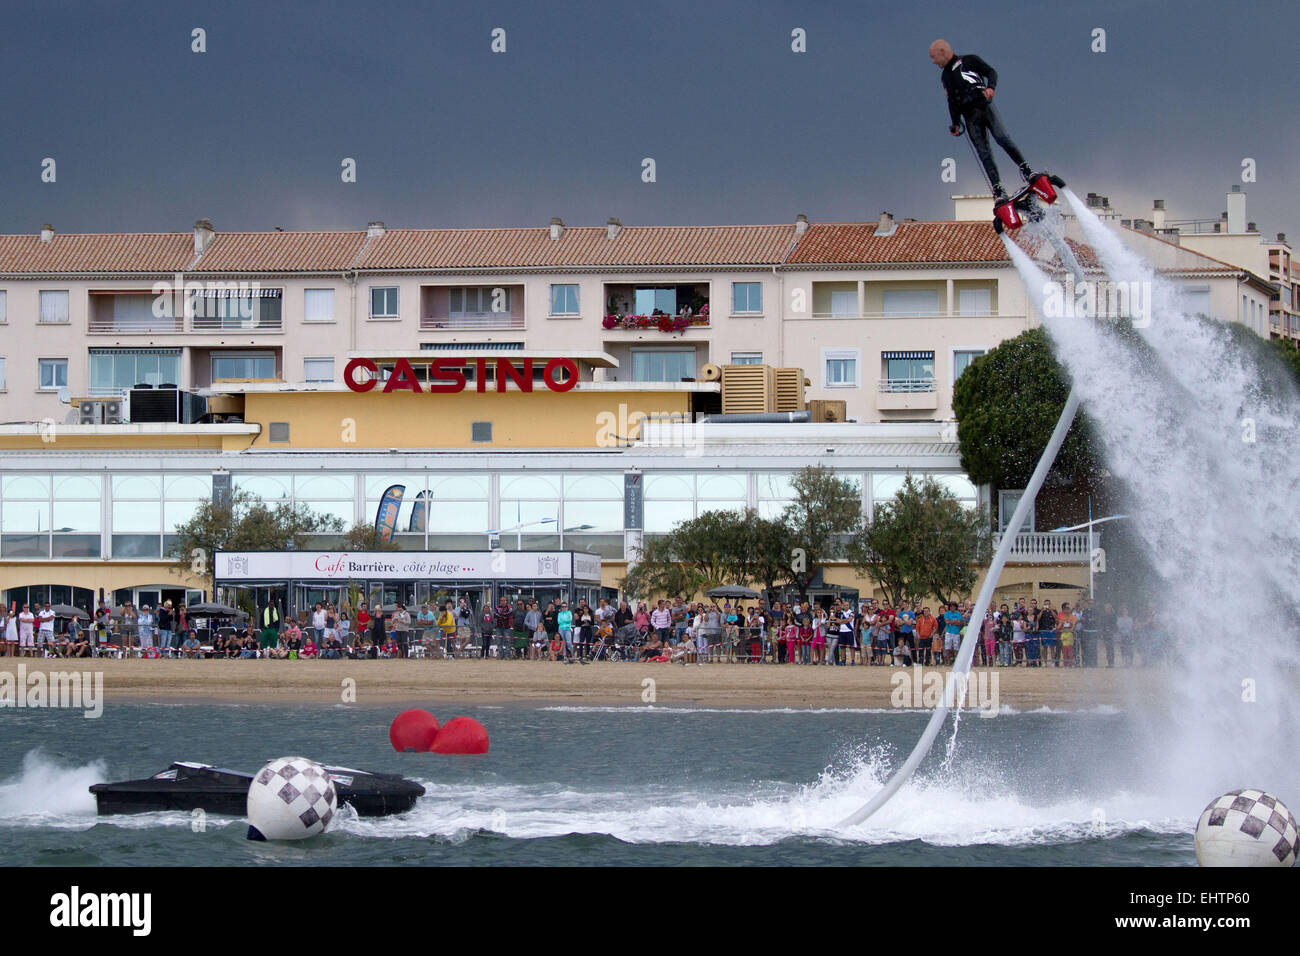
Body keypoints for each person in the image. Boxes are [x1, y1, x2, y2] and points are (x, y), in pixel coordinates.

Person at [930, 39, 1035, 202]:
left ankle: (1026, 169)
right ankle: (998, 188)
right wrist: (956, 123)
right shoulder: (945, 77)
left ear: (943, 52)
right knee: (984, 153)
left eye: (934, 57)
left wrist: (991, 87)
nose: (933, 61)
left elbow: (991, 72)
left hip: (984, 108)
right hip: (970, 117)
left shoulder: (969, 60)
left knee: (1002, 138)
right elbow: (951, 102)